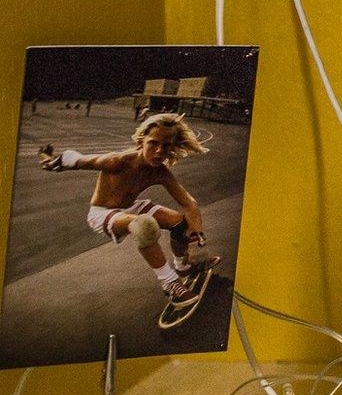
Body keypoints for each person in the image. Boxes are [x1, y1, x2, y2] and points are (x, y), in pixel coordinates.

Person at [39, 112, 220, 307]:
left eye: (167, 146)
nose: (159, 151)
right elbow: (79, 160)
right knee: (145, 225)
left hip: (130, 207)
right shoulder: (117, 161)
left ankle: (183, 266)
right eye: (153, 143)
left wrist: (196, 234)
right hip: (102, 213)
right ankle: (170, 284)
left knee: (180, 221)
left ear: (172, 148)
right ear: (141, 142)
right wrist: (50, 160)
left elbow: (189, 204)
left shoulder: (160, 172)